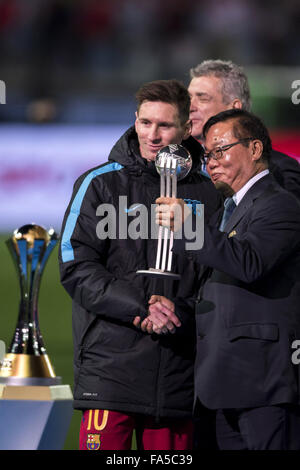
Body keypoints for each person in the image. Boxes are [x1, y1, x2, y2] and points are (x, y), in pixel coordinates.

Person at [58, 79, 222, 450]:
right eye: (145, 122)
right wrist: (139, 307)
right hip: (110, 370)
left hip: (180, 373)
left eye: (165, 125)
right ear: (134, 120)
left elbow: (219, 275)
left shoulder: (208, 193)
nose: (153, 135)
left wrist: (180, 312)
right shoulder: (99, 184)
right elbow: (75, 262)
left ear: (185, 128)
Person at [154, 108, 300, 450]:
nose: (211, 162)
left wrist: (189, 226)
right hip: (220, 387)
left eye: (220, 150)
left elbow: (249, 263)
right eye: (207, 154)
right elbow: (219, 287)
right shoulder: (227, 210)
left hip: (263, 387)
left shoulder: (281, 205)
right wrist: (176, 309)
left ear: (255, 149)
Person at [188, 59, 300, 199]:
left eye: (202, 98)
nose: (190, 107)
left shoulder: (279, 170)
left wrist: (190, 220)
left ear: (234, 108)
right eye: (188, 98)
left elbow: (281, 217)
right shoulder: (184, 167)